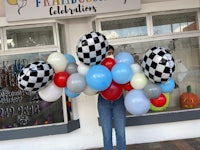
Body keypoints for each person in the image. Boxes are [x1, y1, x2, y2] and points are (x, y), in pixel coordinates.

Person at [98, 45, 126, 150]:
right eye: (107, 53)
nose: (109, 56)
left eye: (111, 53)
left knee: (121, 133)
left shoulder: (118, 66)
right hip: (103, 101)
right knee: (106, 134)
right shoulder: (99, 67)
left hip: (118, 100)